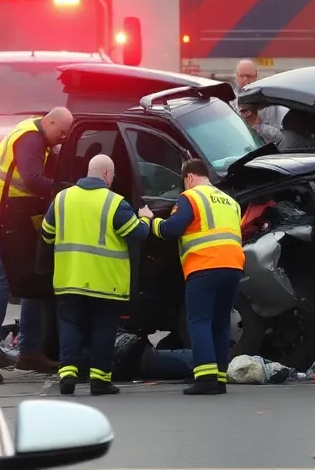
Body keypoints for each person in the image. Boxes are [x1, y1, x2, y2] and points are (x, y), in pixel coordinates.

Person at [0, 107, 72, 382]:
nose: (63, 138)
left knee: (31, 277)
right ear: (50, 121)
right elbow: (33, 180)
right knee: (3, 278)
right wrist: (66, 188)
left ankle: (30, 351)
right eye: (62, 132)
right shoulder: (30, 139)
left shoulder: (38, 137)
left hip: (13, 211)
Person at [41, 154, 150, 396]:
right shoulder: (114, 203)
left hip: (70, 279)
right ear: (106, 175)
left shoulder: (62, 199)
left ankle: (68, 374)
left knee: (70, 325)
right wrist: (145, 218)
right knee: (103, 329)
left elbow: (47, 234)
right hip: (105, 282)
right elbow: (137, 234)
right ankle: (99, 380)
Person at [143, 159, 244, 396]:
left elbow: (171, 229)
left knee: (199, 321)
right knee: (220, 322)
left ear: (189, 177)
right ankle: (219, 377)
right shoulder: (231, 201)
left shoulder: (191, 197)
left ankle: (205, 378)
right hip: (233, 266)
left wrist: (150, 220)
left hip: (204, 266)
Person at [234, 59, 286, 136]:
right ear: (236, 77)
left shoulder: (268, 102)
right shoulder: (229, 100)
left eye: (249, 76)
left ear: (256, 77)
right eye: (241, 76)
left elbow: (280, 136)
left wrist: (257, 126)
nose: (245, 79)